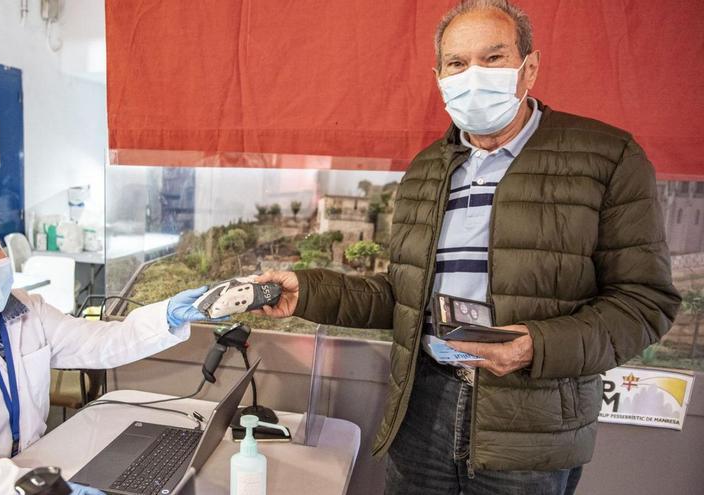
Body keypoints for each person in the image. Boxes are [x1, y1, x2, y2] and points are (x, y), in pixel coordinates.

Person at [255, 1, 681, 493]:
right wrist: (305, 292)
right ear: (438, 76)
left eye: (493, 58)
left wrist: (533, 348)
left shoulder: (608, 156)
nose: (473, 74)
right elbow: (402, 297)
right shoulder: (427, 168)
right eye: (457, 63)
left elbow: (645, 303)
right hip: (421, 410)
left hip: (529, 427)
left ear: (530, 68)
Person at [0, 202, 215, 495]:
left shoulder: (29, 310)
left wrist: (167, 314)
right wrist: (27, 486)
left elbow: (100, 343)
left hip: (36, 465)